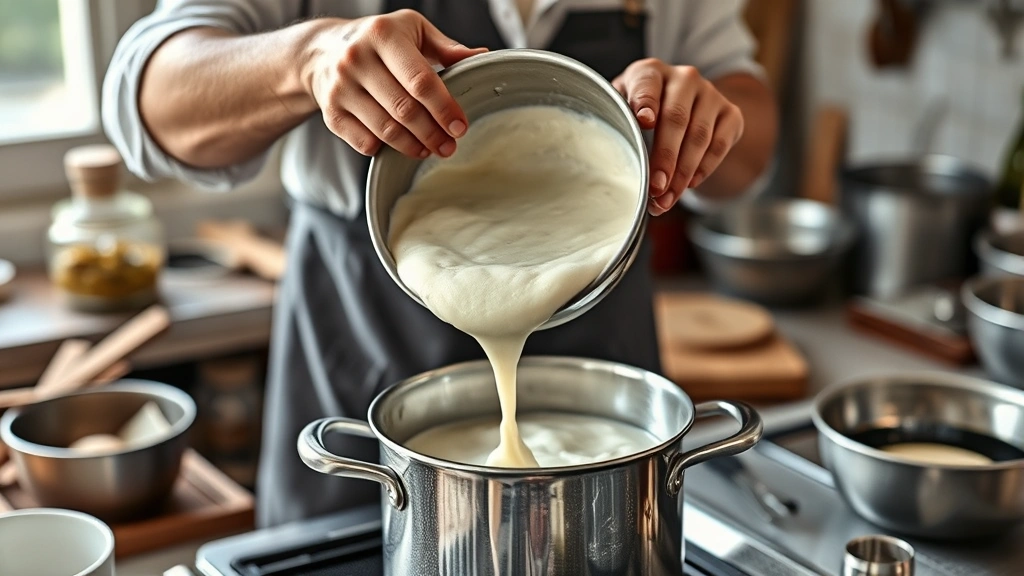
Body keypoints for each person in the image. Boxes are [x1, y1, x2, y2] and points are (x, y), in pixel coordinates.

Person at [103, 0, 778, 527]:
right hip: (359, 370)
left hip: (603, 363)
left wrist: (707, 119)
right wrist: (307, 58)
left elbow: (751, 135)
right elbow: (148, 97)